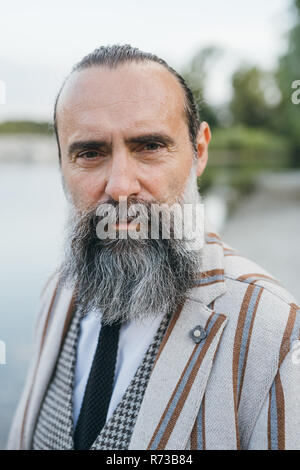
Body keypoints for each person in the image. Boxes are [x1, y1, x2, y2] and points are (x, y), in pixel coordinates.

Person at [7, 44, 300, 450]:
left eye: (149, 147)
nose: (120, 186)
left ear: (198, 152)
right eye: (90, 153)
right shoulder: (56, 292)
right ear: (62, 164)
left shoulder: (275, 334)